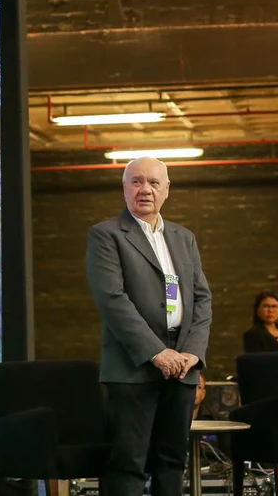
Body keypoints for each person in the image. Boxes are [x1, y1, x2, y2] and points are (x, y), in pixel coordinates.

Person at [86, 157, 213, 496]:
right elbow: (112, 299)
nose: (146, 189)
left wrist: (192, 353)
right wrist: (157, 352)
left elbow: (202, 299)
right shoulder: (106, 235)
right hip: (133, 366)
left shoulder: (184, 237)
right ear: (125, 188)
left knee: (172, 461)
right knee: (129, 463)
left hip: (182, 366)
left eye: (154, 182)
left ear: (167, 190)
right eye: (137, 182)